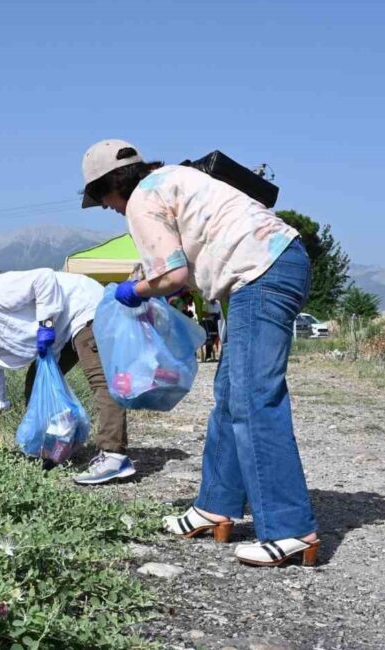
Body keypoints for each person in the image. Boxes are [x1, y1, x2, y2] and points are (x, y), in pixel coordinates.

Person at [80, 139, 319, 567]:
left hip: (259, 272)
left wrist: (132, 292)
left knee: (253, 397)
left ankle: (289, 528)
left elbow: (173, 276)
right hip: (271, 265)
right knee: (230, 397)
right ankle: (215, 507)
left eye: (103, 201)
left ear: (109, 187)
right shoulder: (174, 177)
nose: (110, 210)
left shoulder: (140, 199)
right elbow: (186, 268)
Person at [0, 268, 135, 485]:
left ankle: (113, 455)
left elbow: (44, 278)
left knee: (100, 379)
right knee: (35, 389)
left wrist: (46, 323)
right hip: (57, 337)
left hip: (81, 309)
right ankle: (62, 448)